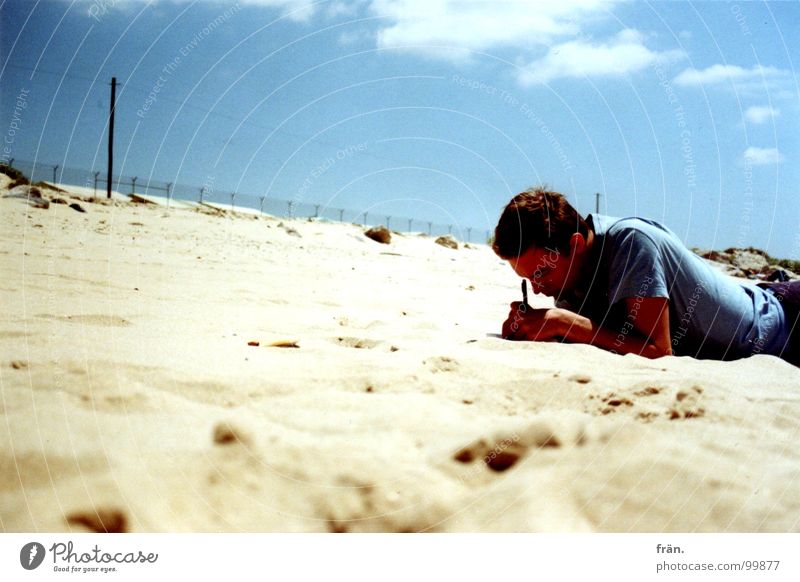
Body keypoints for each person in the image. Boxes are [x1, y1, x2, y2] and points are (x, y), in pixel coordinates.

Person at [493, 187, 799, 364]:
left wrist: (564, 322)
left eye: (541, 273)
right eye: (527, 279)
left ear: (574, 245)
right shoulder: (571, 273)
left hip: (786, 323)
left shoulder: (631, 242)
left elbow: (658, 351)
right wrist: (532, 327)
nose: (537, 288)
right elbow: (606, 336)